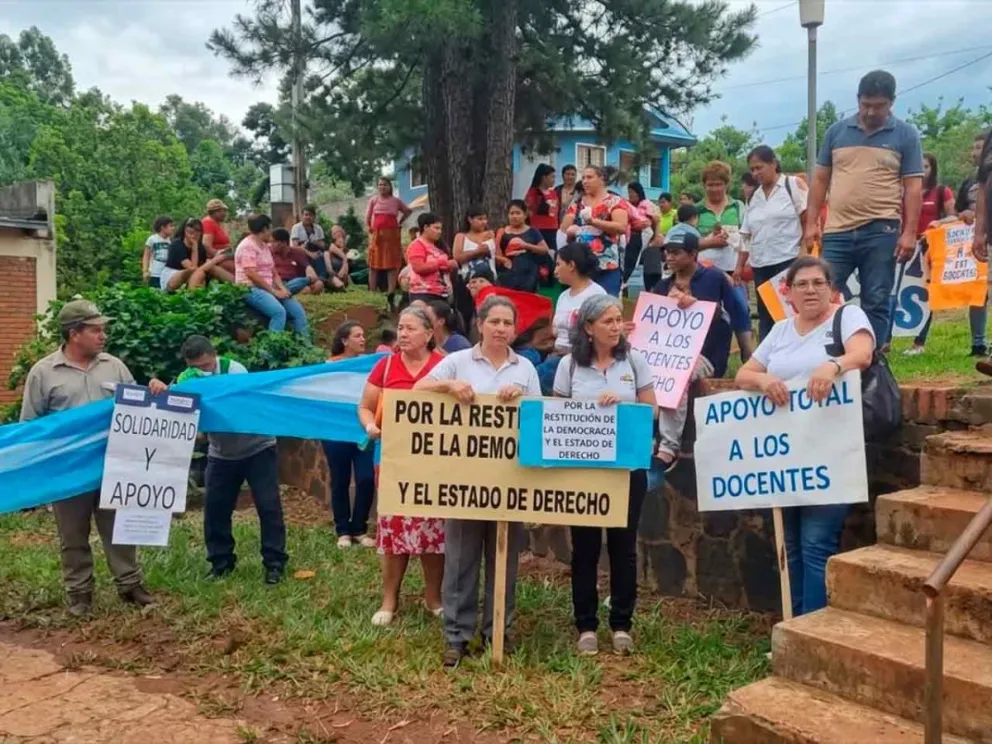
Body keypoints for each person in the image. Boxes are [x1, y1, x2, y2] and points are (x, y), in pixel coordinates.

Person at [735, 256, 874, 616]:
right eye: (802, 284)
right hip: (786, 455)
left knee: (816, 544)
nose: (810, 290)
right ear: (789, 292)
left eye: (817, 283)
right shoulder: (781, 330)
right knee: (792, 546)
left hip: (831, 451)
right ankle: (794, 621)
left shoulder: (848, 317)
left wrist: (833, 365)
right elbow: (743, 375)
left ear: (831, 289)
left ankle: (811, 629)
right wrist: (763, 379)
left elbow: (862, 354)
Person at [414, 295, 541, 666]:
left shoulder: (525, 368)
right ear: (480, 324)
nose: (501, 329)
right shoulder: (457, 362)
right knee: (460, 561)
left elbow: (539, 415)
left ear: (515, 329)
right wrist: (449, 387)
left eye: (508, 323)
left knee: (504, 562)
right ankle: (457, 636)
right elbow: (417, 390)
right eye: (494, 321)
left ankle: (498, 631)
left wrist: (521, 397)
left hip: (510, 482)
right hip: (464, 481)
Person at [19, 300, 155, 616]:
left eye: (103, 330)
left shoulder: (114, 366)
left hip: (112, 464)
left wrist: (155, 392)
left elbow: (138, 407)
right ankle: (80, 594)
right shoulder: (44, 373)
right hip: (68, 471)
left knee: (118, 527)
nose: (103, 336)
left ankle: (130, 584)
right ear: (74, 334)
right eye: (95, 330)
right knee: (72, 534)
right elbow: (31, 426)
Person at [553, 294, 656, 656]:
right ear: (588, 327)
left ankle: (622, 624)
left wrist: (623, 405)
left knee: (623, 547)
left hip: (626, 468)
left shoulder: (635, 361)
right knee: (584, 548)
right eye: (608, 321)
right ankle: (586, 626)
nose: (616, 327)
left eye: (618, 321)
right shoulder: (568, 365)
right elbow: (558, 415)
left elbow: (653, 411)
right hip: (584, 470)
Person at [804, 70, 924, 347]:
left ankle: (871, 359)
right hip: (837, 231)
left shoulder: (906, 135)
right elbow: (820, 180)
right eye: (865, 104)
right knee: (822, 293)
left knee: (876, 298)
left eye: (878, 106)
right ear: (858, 99)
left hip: (882, 229)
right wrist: (811, 223)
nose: (870, 112)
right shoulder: (836, 132)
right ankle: (821, 353)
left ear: (891, 102)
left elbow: (913, 188)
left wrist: (909, 233)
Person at [171, 335, 288, 585]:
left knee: (268, 506)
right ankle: (221, 563)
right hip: (221, 453)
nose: (202, 371)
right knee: (215, 509)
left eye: (205, 365)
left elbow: (238, 408)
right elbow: (184, 413)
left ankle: (274, 563)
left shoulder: (235, 370)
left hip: (258, 448)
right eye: (196, 367)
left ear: (214, 354)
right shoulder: (186, 379)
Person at [358, 306, 446, 626]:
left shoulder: (445, 366)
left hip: (435, 464)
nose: (403, 334)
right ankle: (389, 600)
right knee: (393, 532)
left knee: (434, 532)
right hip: (392, 461)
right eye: (400, 328)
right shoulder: (385, 366)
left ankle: (433, 598)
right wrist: (370, 426)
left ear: (429, 334)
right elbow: (366, 407)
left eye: (410, 328)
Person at [650, 231, 752, 469]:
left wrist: (747, 351)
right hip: (665, 353)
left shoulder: (715, 278)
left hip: (707, 354)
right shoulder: (663, 286)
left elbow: (737, 313)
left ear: (693, 254)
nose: (669, 257)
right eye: (667, 252)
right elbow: (651, 323)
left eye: (676, 253)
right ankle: (647, 437)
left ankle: (669, 447)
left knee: (677, 373)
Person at [738, 145, 809, 340]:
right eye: (752, 169)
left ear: (774, 164)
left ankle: (794, 352)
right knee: (765, 316)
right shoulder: (754, 196)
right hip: (761, 264)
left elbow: (808, 219)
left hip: (788, 260)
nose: (755, 173)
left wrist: (804, 252)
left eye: (759, 167)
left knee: (789, 314)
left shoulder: (792, 185)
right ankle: (766, 354)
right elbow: (746, 234)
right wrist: (739, 266)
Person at [324, 322, 376, 548]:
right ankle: (343, 530)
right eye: (357, 336)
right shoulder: (327, 367)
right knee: (340, 480)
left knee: (366, 478)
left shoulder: (370, 365)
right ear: (344, 341)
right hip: (335, 431)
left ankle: (360, 528)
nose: (363, 339)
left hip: (364, 430)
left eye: (363, 335)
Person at [905, 152, 957, 355]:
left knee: (926, 294)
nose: (922, 170)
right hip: (906, 246)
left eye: (926, 167)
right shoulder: (905, 191)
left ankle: (919, 342)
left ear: (933, 169)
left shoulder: (942, 192)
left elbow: (954, 216)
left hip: (930, 247)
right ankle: (887, 340)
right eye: (919, 166)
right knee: (896, 291)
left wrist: (939, 223)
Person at [236, 214, 310, 337]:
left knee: (298, 312)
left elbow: (273, 271)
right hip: (251, 288)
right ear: (264, 229)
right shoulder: (247, 246)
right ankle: (273, 345)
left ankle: (306, 344)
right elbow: (251, 273)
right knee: (279, 312)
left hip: (269, 287)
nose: (271, 233)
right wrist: (274, 292)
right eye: (270, 229)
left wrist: (282, 288)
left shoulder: (265, 246)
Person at [560, 165, 630, 296]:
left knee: (606, 303)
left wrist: (594, 222)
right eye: (583, 178)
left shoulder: (615, 201)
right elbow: (563, 228)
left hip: (607, 265)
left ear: (601, 179)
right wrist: (570, 230)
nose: (585, 181)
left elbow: (621, 227)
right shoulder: (578, 203)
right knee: (582, 303)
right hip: (581, 266)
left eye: (589, 177)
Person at [697, 161, 746, 287]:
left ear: (727, 184)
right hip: (703, 272)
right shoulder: (696, 210)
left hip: (734, 271)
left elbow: (746, 240)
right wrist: (710, 242)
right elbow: (688, 245)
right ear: (704, 185)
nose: (714, 189)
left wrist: (740, 267)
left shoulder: (738, 207)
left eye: (719, 184)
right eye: (710, 185)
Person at [553, 241, 607, 355]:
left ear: (571, 265)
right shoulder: (563, 296)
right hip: (557, 353)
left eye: (558, 265)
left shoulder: (596, 295)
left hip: (580, 356)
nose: (555, 271)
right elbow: (555, 331)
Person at [366, 177, 412, 298]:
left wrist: (400, 222)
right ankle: (372, 292)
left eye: (385, 185)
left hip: (392, 236)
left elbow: (408, 211)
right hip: (377, 235)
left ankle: (391, 292)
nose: (382, 187)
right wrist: (369, 227)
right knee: (373, 264)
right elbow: (368, 216)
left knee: (392, 264)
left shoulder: (396, 201)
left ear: (390, 186)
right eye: (380, 185)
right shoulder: (373, 200)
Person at [161, 217, 233, 292]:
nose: (195, 232)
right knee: (195, 271)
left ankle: (237, 284)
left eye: (198, 230)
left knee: (211, 268)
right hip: (173, 275)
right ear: (185, 230)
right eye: (191, 228)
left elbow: (201, 267)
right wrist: (195, 248)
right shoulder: (177, 245)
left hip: (193, 276)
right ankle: (192, 295)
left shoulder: (201, 248)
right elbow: (192, 268)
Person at [496, 200, 550, 293]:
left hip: (529, 274)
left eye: (518, 213)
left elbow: (545, 250)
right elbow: (494, 254)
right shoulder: (502, 232)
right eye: (512, 213)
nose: (515, 216)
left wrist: (526, 246)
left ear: (525, 215)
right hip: (507, 273)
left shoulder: (533, 231)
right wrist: (504, 260)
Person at [407, 212, 457, 303]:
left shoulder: (438, 247)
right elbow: (419, 268)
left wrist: (450, 266)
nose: (439, 232)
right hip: (423, 293)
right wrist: (443, 263)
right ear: (425, 227)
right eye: (436, 228)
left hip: (441, 292)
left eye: (440, 229)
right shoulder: (417, 245)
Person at [270, 227, 326, 296]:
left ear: (284, 243)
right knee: (306, 289)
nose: (271, 244)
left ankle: (287, 292)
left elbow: (308, 267)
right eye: (271, 242)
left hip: (295, 282)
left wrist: (312, 275)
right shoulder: (269, 252)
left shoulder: (297, 252)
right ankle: (287, 291)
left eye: (274, 242)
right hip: (278, 283)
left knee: (319, 284)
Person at [453, 206, 496, 281]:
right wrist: (477, 252)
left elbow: (495, 255)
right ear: (470, 219)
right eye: (480, 219)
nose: (484, 222)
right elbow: (457, 257)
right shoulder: (461, 236)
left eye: (485, 219)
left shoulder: (490, 234)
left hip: (490, 278)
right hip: (469, 279)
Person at [525, 164, 560, 253]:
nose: (554, 180)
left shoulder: (553, 193)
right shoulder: (533, 193)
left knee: (552, 253)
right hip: (539, 229)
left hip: (553, 229)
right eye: (552, 177)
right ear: (544, 177)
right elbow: (529, 210)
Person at [290, 205, 329, 278]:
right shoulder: (296, 228)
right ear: (302, 216)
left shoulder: (318, 228)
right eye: (306, 215)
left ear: (314, 217)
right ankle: (316, 278)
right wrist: (310, 253)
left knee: (320, 256)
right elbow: (295, 246)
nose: (308, 217)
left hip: (315, 251)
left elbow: (323, 245)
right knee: (311, 258)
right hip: (300, 252)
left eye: (310, 215)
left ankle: (323, 278)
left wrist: (315, 242)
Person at [202, 198, 235, 275]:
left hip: (224, 255)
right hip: (214, 259)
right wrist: (220, 256)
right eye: (221, 211)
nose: (224, 213)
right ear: (214, 212)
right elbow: (206, 245)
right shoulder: (208, 222)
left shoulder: (218, 223)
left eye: (224, 211)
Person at [143, 215, 174, 289]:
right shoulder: (152, 239)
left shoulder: (171, 241)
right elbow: (146, 256)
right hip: (154, 273)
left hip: (167, 274)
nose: (172, 228)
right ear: (163, 227)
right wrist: (145, 271)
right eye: (170, 226)